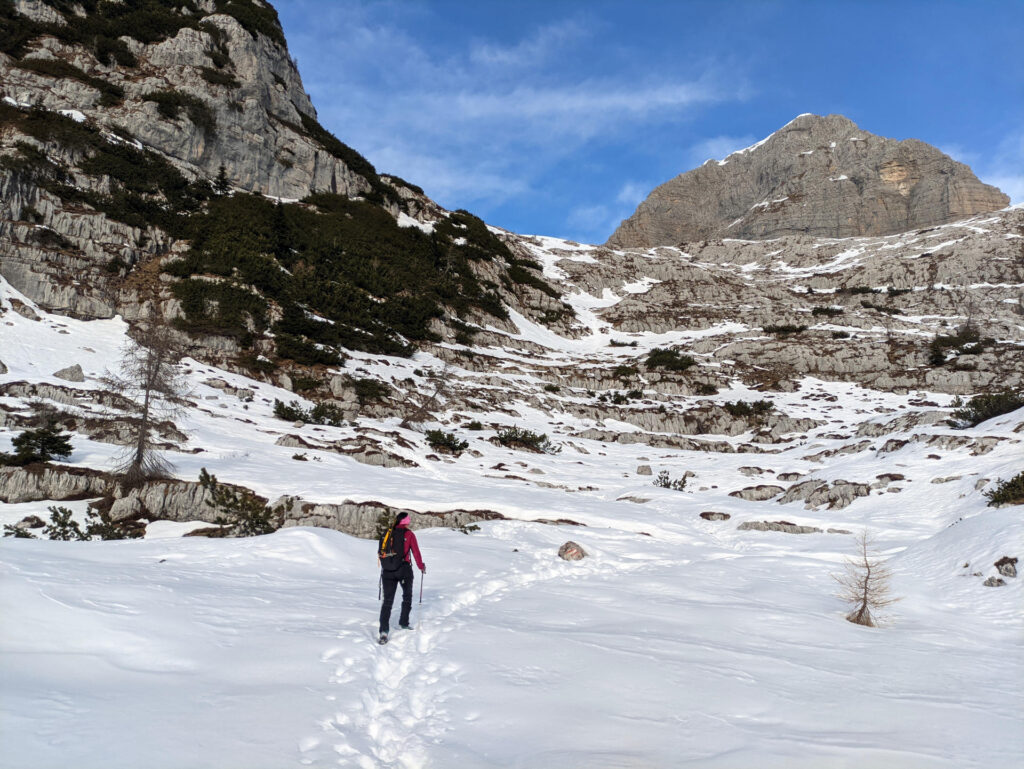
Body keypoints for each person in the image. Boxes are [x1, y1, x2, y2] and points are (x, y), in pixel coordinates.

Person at [378, 512, 425, 644]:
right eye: (408, 519)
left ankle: (383, 631)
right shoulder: (409, 534)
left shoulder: (388, 533)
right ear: (405, 521)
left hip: (387, 571)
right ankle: (403, 622)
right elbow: (415, 552)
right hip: (404, 570)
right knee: (407, 596)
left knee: (387, 601)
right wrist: (421, 566)